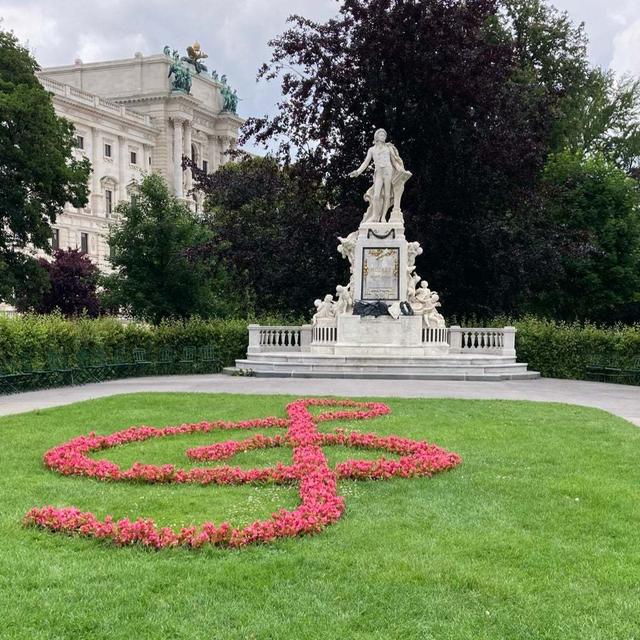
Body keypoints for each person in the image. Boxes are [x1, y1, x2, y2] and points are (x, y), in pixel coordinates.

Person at [349, 128, 412, 223]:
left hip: (388, 171)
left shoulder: (388, 148)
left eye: (384, 135)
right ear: (377, 136)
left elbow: (395, 163)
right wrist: (357, 172)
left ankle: (383, 217)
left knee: (387, 194)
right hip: (378, 173)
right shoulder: (372, 150)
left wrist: (402, 170)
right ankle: (375, 216)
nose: (383, 137)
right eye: (381, 135)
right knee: (376, 195)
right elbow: (365, 163)